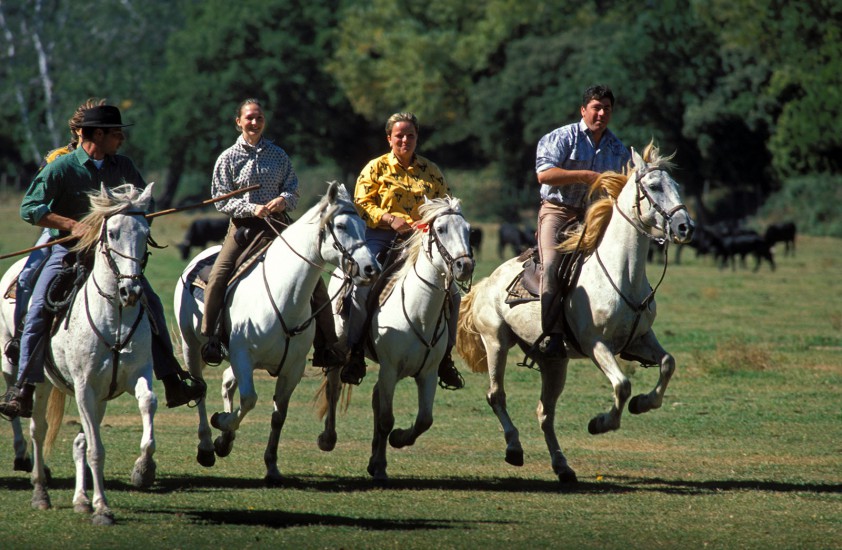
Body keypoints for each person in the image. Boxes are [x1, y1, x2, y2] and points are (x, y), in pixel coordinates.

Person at [0, 105, 205, 419]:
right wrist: (72, 225)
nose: (121, 138)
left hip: (113, 256)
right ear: (97, 134)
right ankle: (24, 388)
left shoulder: (123, 166)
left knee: (151, 302)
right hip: (69, 250)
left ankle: (171, 379)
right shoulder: (63, 167)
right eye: (115, 133)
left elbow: (140, 202)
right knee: (39, 305)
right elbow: (29, 208)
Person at [200, 98, 343, 369]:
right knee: (219, 276)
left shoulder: (279, 155)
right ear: (238, 122)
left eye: (259, 118)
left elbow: (293, 190)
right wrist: (252, 208)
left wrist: (282, 200)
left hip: (280, 227)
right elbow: (221, 200)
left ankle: (327, 346)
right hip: (243, 229)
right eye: (249, 118)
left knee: (315, 282)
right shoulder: (227, 158)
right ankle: (212, 337)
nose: (255, 122)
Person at [341, 112, 465, 390]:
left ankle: (445, 357)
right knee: (361, 286)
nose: (405, 140)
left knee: (454, 294)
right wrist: (388, 218)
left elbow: (446, 205)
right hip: (381, 236)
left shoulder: (431, 171)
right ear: (389, 138)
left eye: (410, 135)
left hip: (422, 240)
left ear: (417, 138)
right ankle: (355, 352)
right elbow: (361, 203)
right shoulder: (375, 168)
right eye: (399, 135)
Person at [4, 98, 106, 367]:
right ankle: (19, 336)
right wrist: (69, 224)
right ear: (77, 132)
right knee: (27, 277)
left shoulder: (110, 161)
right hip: (57, 232)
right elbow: (38, 204)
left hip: (100, 235)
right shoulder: (58, 159)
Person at [535, 84, 631, 354]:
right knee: (551, 266)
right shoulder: (561, 137)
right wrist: (585, 176)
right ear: (583, 110)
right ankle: (551, 335)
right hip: (558, 210)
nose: (601, 113)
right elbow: (544, 175)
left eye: (607, 108)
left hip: (594, 215)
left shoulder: (618, 149)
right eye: (596, 107)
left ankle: (625, 329)